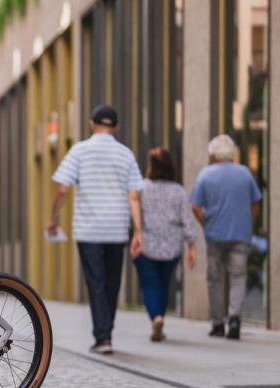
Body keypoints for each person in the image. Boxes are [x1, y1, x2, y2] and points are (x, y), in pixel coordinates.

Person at [49, 105, 144, 355]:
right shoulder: (126, 154)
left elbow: (62, 189)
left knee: (96, 282)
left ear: (92, 124)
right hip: (116, 228)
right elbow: (133, 195)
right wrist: (138, 232)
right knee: (112, 283)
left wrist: (54, 218)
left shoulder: (79, 151)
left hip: (89, 229)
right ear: (116, 127)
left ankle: (103, 337)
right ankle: (106, 334)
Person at [191, 134, 262, 340]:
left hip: (215, 234)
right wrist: (250, 221)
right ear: (232, 154)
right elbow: (256, 202)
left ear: (213, 154)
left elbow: (195, 206)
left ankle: (217, 323)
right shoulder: (245, 173)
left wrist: (206, 222)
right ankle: (234, 319)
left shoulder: (205, 174)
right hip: (241, 234)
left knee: (215, 279)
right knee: (238, 277)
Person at [134, 148, 199, 341]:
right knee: (163, 284)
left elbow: (134, 213)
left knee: (149, 284)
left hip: (147, 245)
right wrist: (192, 246)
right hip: (172, 246)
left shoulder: (142, 187)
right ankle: (159, 318)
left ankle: (156, 316)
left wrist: (134, 234)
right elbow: (187, 219)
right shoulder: (178, 191)